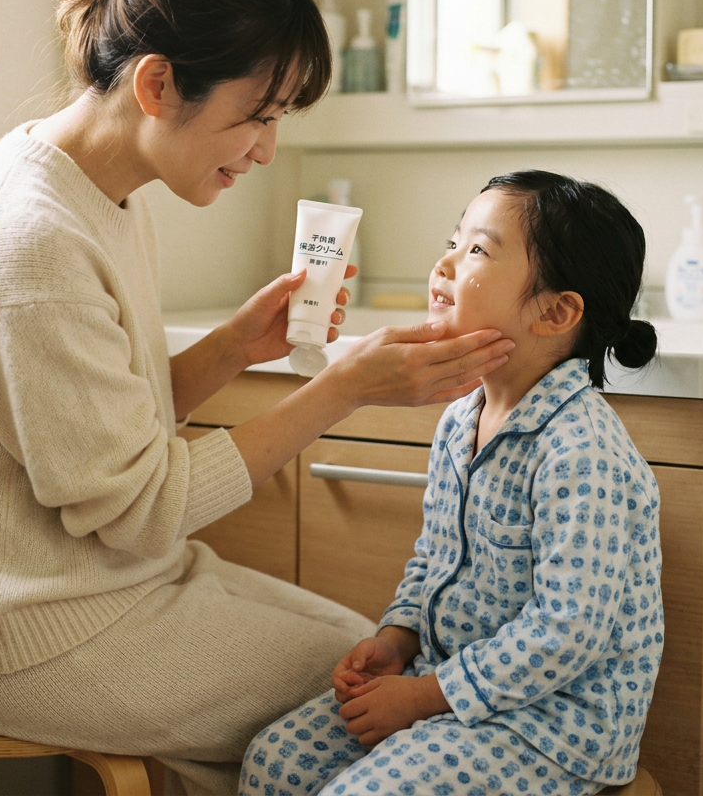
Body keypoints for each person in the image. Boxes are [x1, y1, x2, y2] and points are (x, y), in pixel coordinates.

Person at [0, 0, 514, 796]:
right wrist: (341, 390)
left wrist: (231, 349)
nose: (263, 149)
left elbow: (94, 445)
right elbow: (136, 507)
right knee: (380, 693)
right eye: (255, 115)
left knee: (363, 655)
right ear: (158, 83)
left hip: (98, 586)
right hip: (18, 633)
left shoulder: (101, 192)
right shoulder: (32, 242)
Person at [241, 171, 663, 796]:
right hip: (444, 681)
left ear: (555, 311)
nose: (443, 262)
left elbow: (567, 630)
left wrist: (422, 696)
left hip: (554, 726)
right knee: (273, 761)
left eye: (476, 250)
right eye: (453, 240)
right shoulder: (461, 417)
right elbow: (438, 558)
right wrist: (397, 635)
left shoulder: (581, 452)